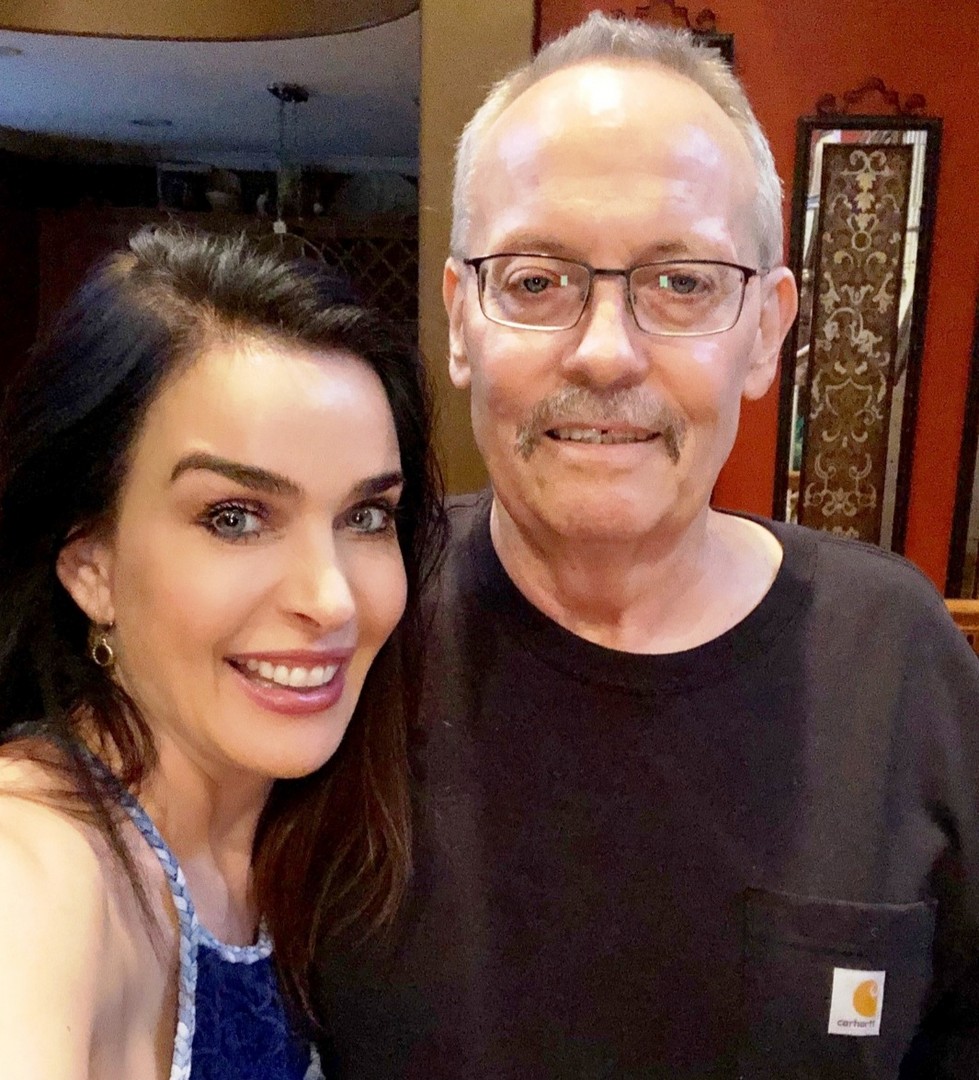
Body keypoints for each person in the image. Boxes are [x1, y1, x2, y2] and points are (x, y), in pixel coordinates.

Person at [316, 12, 979, 1080]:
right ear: (461, 319)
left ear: (765, 331)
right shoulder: (344, 625)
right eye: (536, 279)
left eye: (681, 283)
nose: (605, 353)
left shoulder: (895, 660)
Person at [0, 227, 443, 1079]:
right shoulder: (38, 864)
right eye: (234, 518)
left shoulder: (302, 843)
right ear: (90, 562)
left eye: (365, 517)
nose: (330, 598)